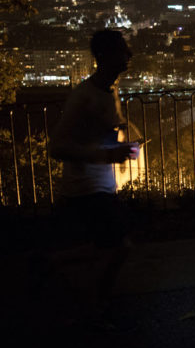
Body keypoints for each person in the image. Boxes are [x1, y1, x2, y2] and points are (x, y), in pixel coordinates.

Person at [49, 29, 141, 329]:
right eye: (122, 50)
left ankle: (59, 270)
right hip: (86, 187)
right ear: (104, 57)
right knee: (118, 246)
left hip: (100, 185)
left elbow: (103, 133)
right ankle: (92, 307)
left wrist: (122, 145)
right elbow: (57, 148)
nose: (129, 55)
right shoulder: (83, 97)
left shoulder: (108, 90)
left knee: (108, 246)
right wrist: (107, 156)